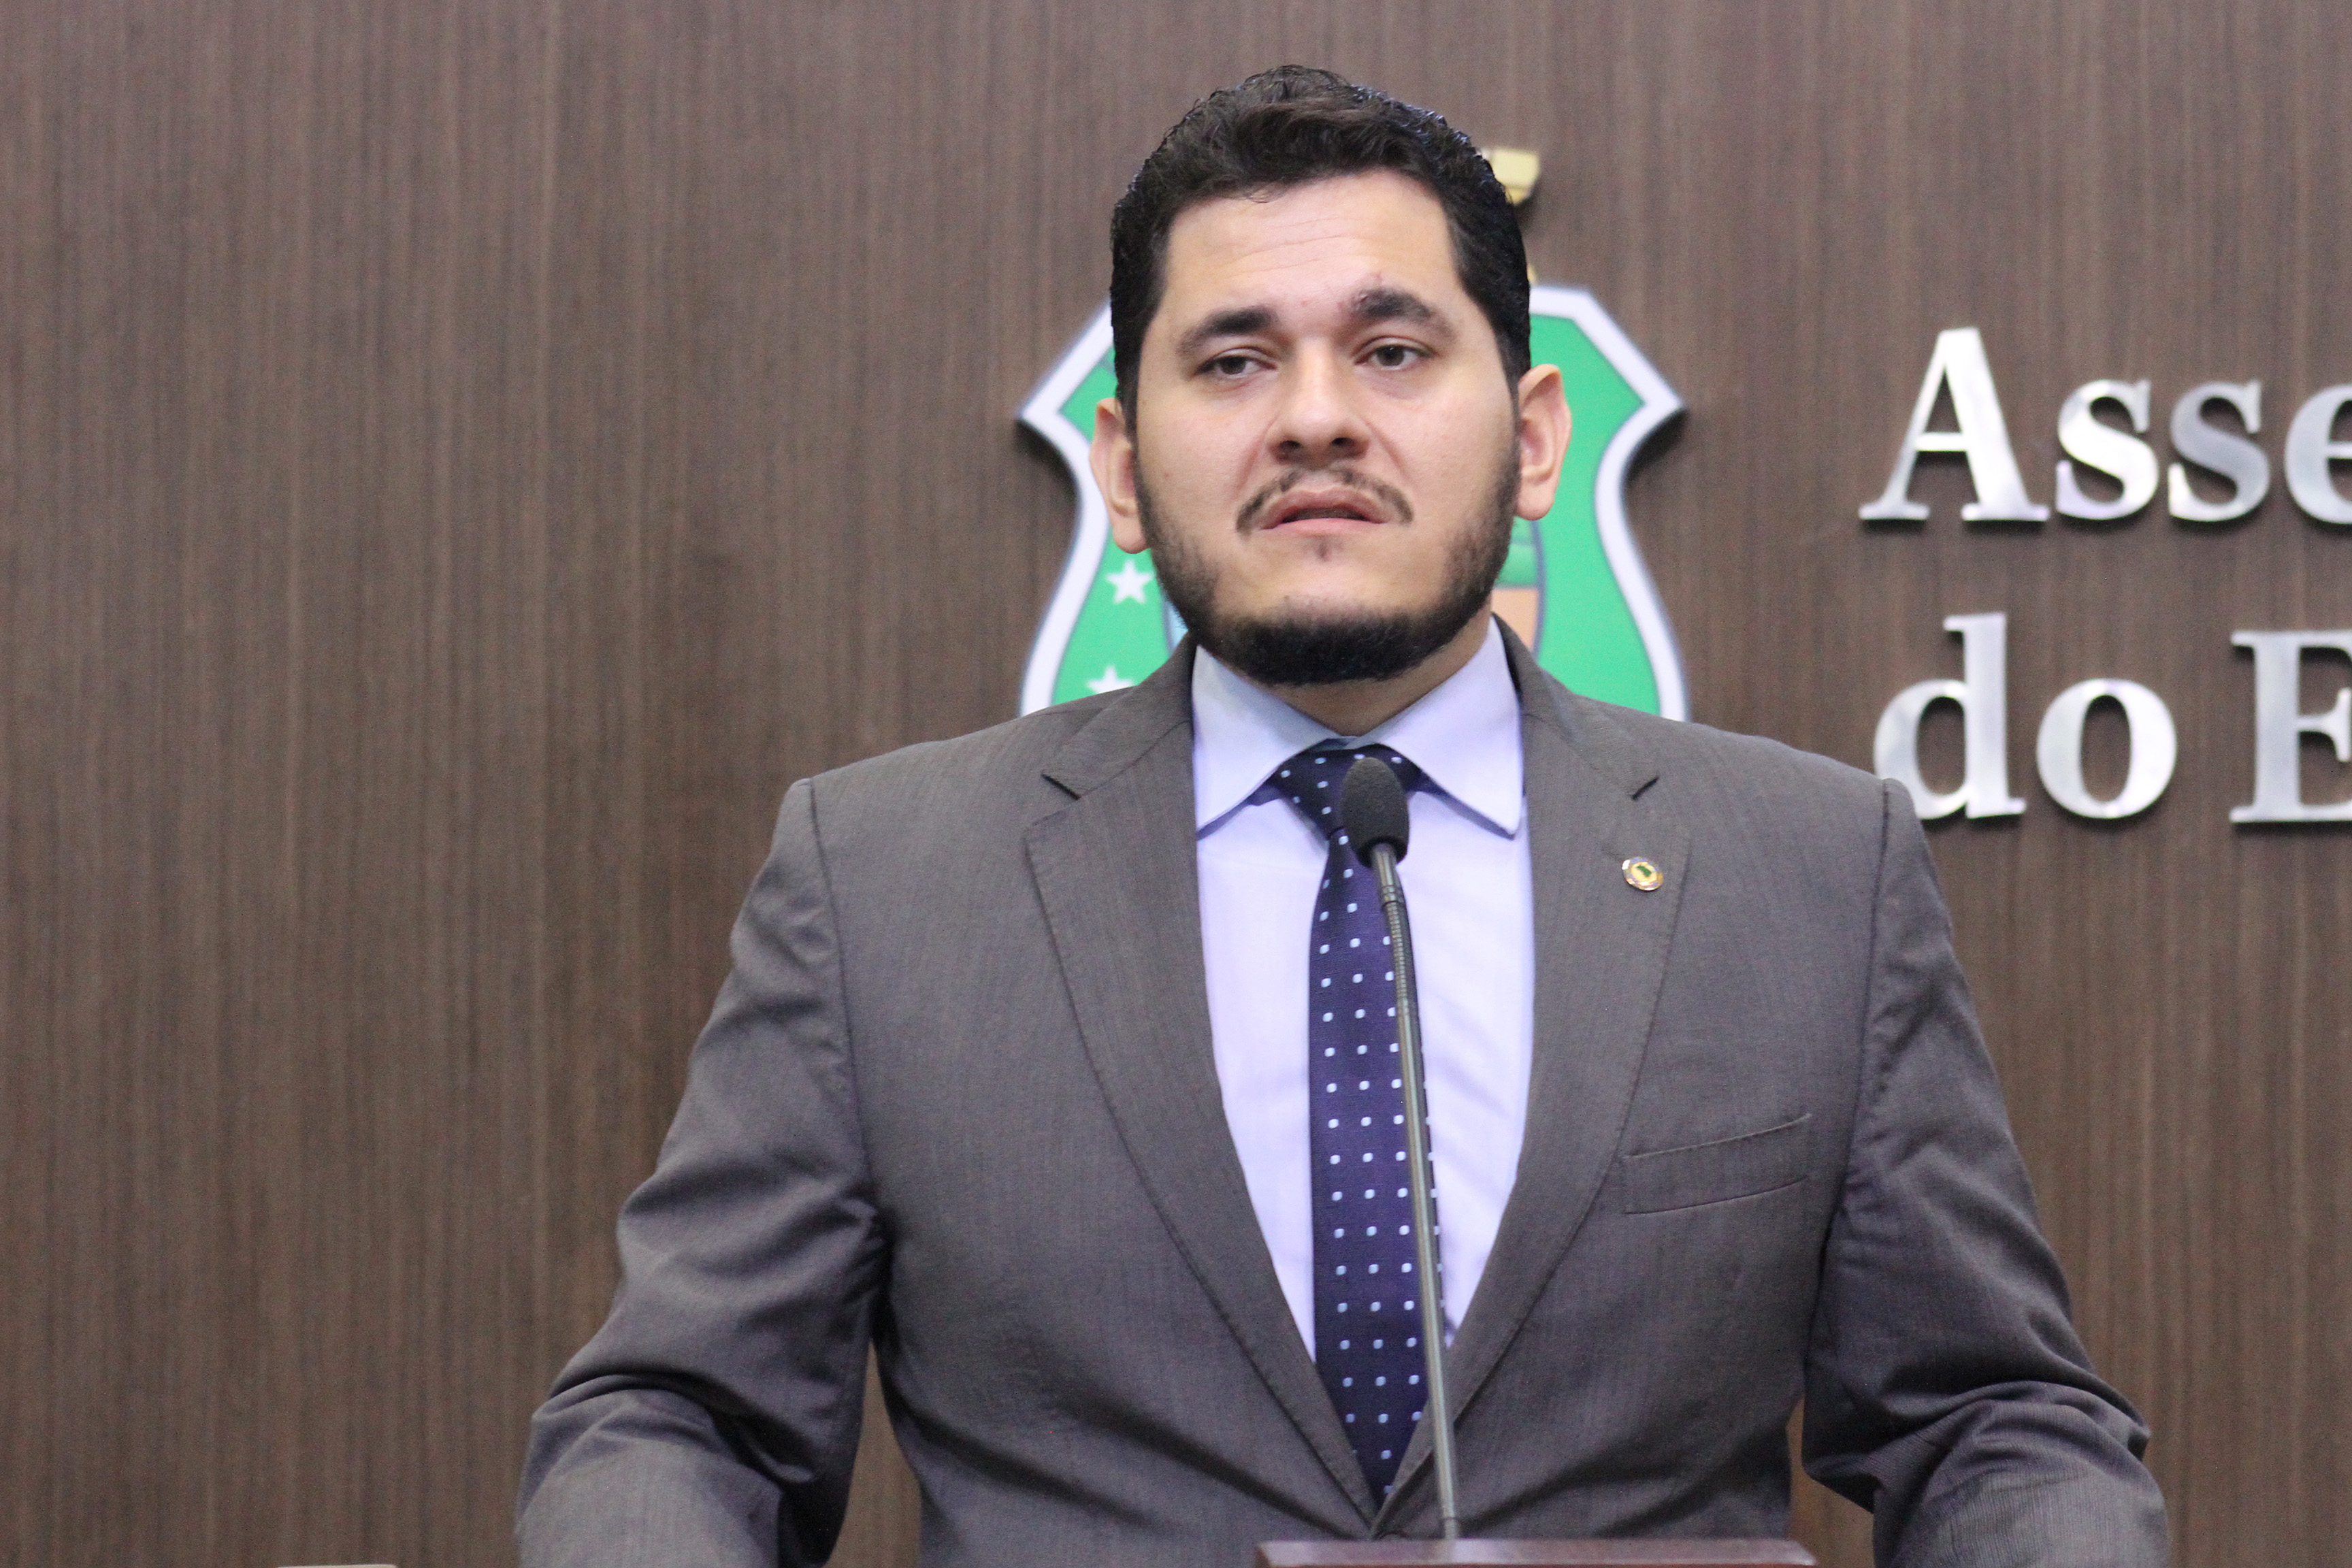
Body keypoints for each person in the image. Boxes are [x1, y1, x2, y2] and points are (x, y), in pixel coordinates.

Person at [518, 67, 2166, 1568]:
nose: (1314, 416)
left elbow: (1992, 1424)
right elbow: (678, 1423)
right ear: (1121, 465)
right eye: (1234, 361)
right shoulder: (884, 886)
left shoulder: (1808, 874)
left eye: (1392, 351)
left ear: (1534, 439)